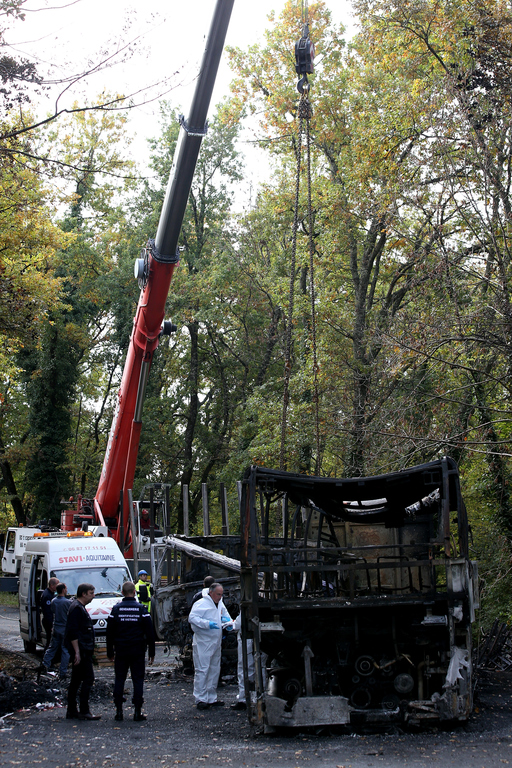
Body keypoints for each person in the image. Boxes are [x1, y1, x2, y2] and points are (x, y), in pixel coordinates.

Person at [106, 581, 155, 722]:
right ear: (135, 592)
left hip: (121, 650)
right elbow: (150, 632)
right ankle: (137, 712)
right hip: (137, 650)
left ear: (122, 593)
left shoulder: (116, 610)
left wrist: (110, 652)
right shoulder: (141, 609)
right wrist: (152, 652)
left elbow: (109, 633)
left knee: (119, 679)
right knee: (138, 679)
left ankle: (119, 712)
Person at [188, 582, 233, 710]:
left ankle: (211, 697)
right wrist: (208, 624)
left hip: (215, 641)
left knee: (214, 669)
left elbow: (226, 615)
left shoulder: (219, 603)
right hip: (203, 641)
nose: (220, 596)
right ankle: (201, 698)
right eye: (218, 594)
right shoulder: (201, 603)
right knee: (202, 669)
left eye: (221, 594)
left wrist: (228, 622)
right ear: (211, 593)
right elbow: (192, 618)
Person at [65, 583, 100, 721]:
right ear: (84, 594)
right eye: (91, 593)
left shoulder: (79, 608)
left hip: (83, 649)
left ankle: (72, 710)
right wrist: (77, 652)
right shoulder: (76, 609)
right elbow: (73, 632)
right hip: (81, 650)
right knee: (88, 678)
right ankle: (84, 710)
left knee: (76, 679)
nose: (93, 595)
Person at [42, 582, 70, 681]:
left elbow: (52, 612)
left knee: (52, 647)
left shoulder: (54, 601)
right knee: (65, 650)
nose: (67, 590)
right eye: (66, 588)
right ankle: (63, 671)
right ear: (63, 590)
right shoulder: (67, 602)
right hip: (64, 628)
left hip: (56, 627)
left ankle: (45, 665)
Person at [40, 577, 59, 650]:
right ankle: (45, 658)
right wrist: (51, 625)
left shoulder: (49, 593)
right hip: (48, 621)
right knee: (50, 641)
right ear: (52, 585)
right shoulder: (48, 595)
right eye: (57, 585)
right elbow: (47, 612)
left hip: (48, 620)